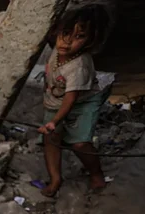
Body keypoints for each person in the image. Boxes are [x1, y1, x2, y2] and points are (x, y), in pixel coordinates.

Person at [39, 5, 111, 197]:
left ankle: (96, 173)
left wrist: (54, 121)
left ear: (90, 41)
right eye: (65, 33)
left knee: (79, 143)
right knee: (51, 138)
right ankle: (55, 179)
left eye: (79, 37)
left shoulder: (78, 66)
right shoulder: (58, 47)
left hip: (83, 102)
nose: (68, 41)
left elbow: (71, 99)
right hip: (57, 97)